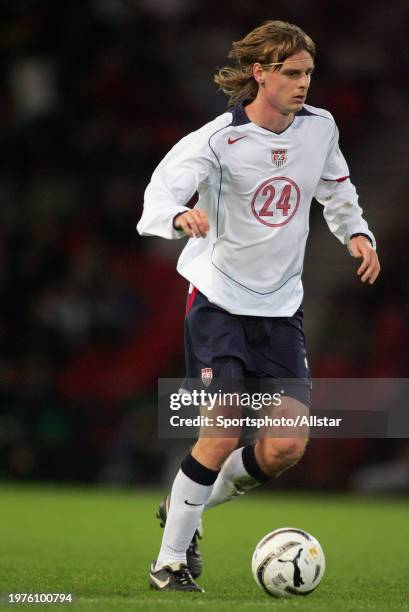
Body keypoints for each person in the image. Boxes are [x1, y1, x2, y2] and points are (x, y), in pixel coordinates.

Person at [137, 20, 380, 592]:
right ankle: (169, 564)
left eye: (308, 74)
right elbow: (160, 193)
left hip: (281, 308)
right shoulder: (219, 139)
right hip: (219, 302)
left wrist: (358, 234)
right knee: (220, 435)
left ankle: (183, 506)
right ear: (260, 73)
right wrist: (179, 218)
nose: (303, 85)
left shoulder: (320, 128)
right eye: (292, 74)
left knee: (284, 447)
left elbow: (337, 188)